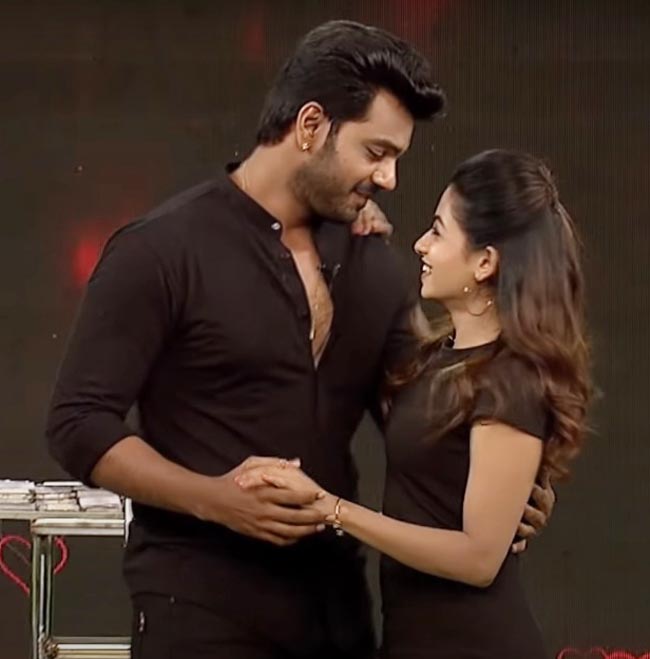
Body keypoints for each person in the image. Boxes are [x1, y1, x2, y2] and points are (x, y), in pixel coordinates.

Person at [46, 19, 552, 659]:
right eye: (376, 152)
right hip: (201, 613)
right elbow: (78, 423)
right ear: (311, 126)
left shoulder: (371, 259)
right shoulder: (161, 251)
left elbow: (424, 410)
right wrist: (216, 500)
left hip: (340, 615)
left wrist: (502, 488)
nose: (390, 179)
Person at [237, 149, 591, 658]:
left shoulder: (510, 380)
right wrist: (349, 232)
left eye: (439, 232)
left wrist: (331, 509)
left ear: (486, 262)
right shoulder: (438, 359)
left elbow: (478, 559)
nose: (421, 243)